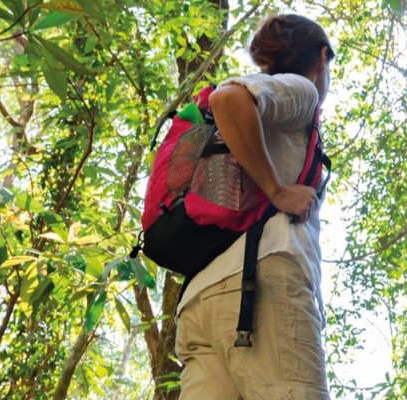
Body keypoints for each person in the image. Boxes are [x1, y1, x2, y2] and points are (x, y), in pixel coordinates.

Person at [174, 14, 335, 399]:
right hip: (258, 290)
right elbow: (228, 99)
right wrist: (278, 191)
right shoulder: (302, 89)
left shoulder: (270, 110)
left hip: (201, 303)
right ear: (322, 57)